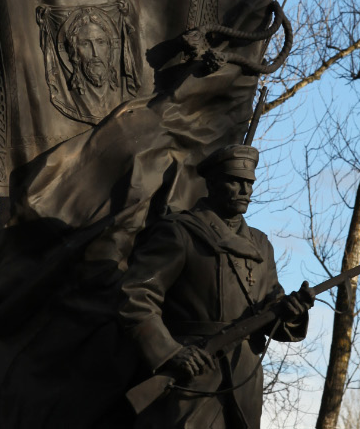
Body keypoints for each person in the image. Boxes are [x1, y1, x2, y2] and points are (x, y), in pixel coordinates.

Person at [119, 144, 314, 428]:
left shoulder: (260, 245)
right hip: (193, 377)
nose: (245, 191)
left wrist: (291, 311)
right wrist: (170, 352)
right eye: (236, 182)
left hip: (245, 384)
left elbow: (270, 305)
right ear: (212, 183)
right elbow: (136, 296)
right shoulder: (180, 232)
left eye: (249, 183)